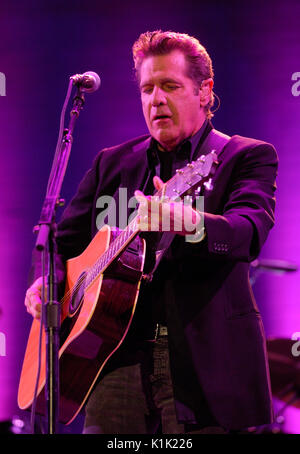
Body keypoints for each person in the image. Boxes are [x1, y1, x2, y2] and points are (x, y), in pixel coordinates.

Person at [24, 30, 278, 434]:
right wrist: (49, 284)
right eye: (147, 89)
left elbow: (248, 231)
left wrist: (188, 222)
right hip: (111, 364)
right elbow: (59, 243)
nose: (156, 99)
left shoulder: (242, 156)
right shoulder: (112, 164)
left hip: (201, 368)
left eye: (170, 86)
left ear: (204, 91)